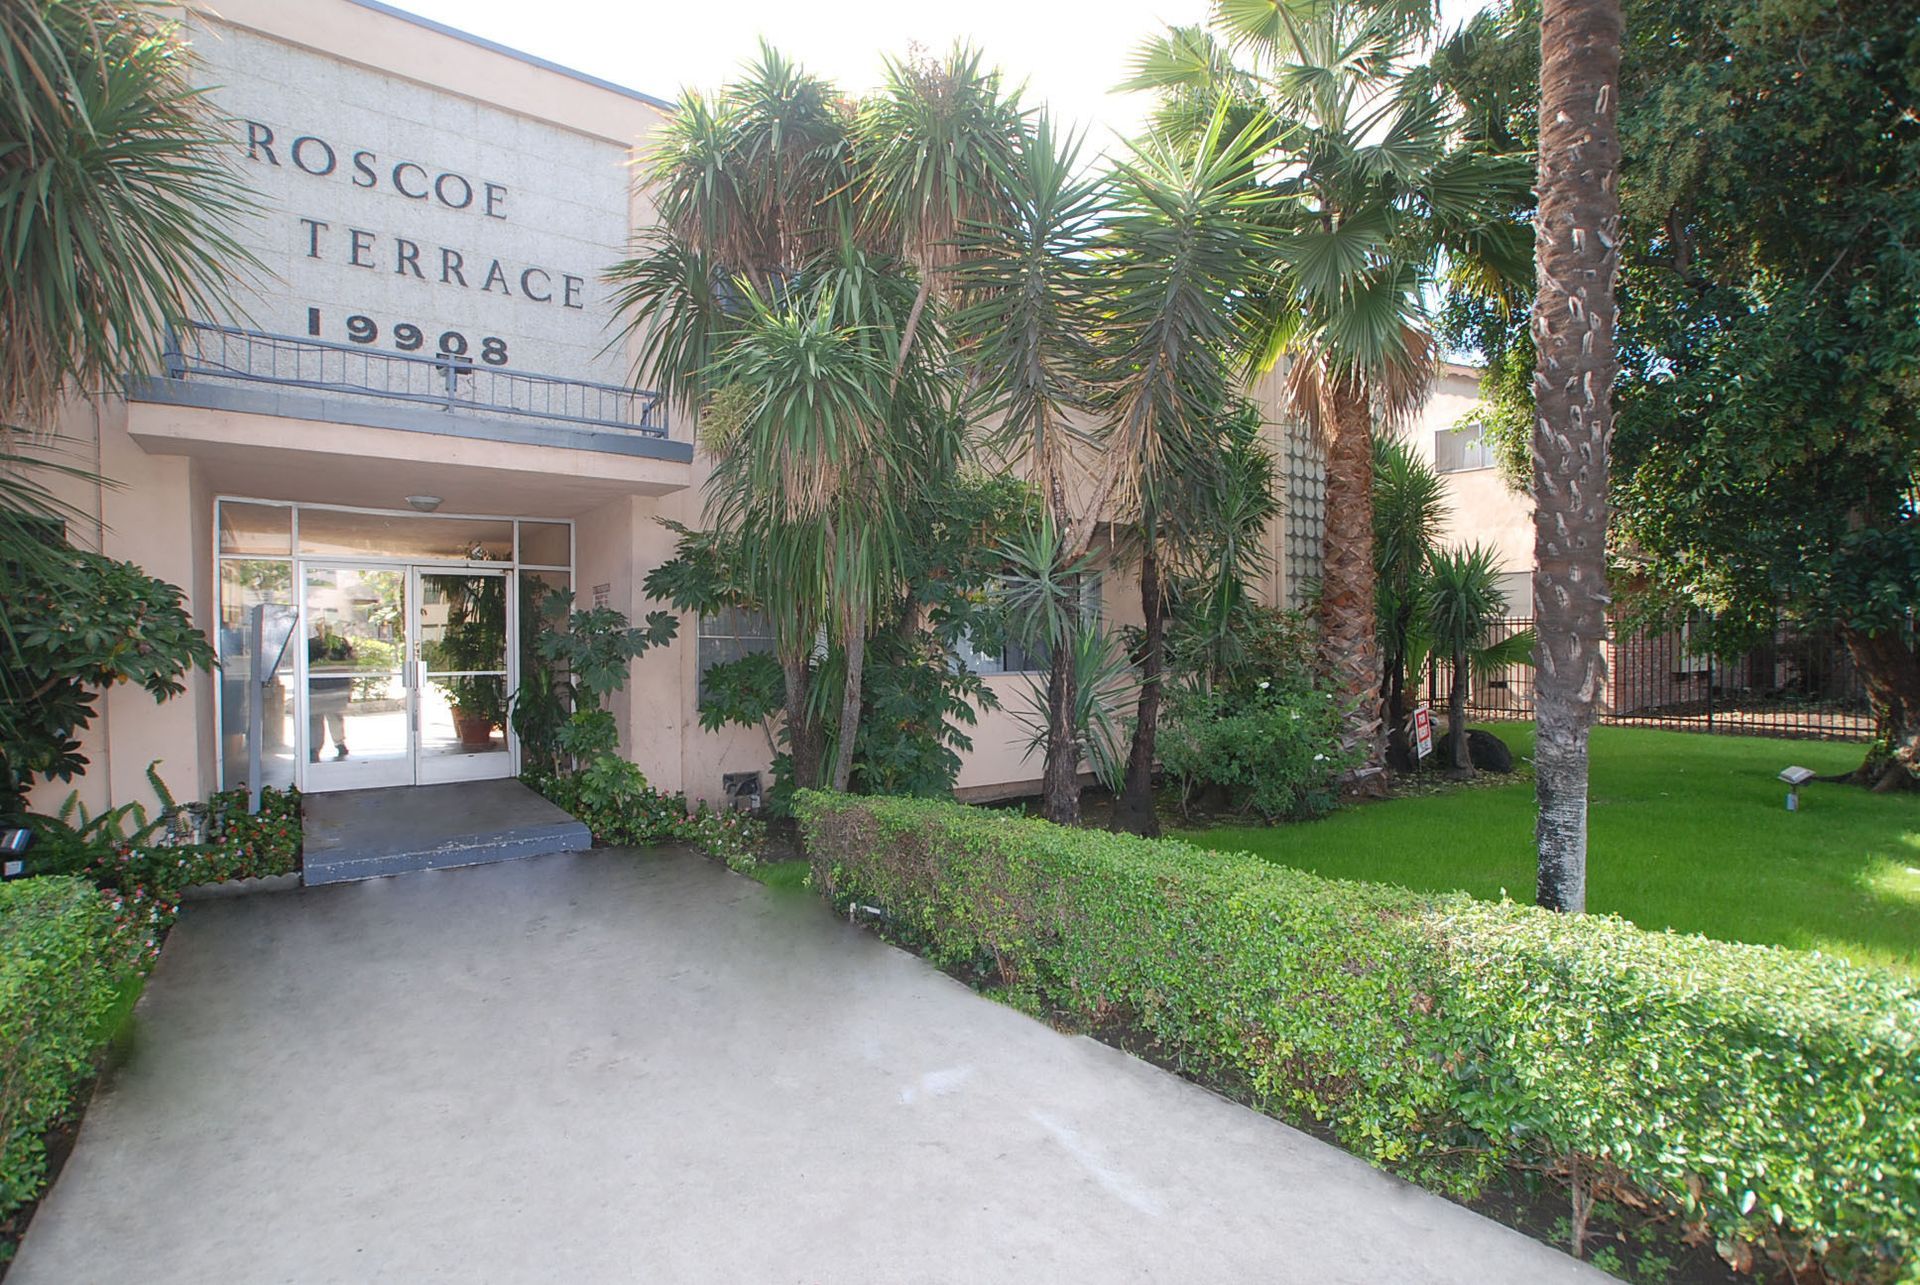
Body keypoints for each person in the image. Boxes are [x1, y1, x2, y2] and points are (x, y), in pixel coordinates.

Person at [308, 619, 355, 761]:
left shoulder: (337, 644)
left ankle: (316, 748)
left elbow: (349, 663)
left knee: (322, 718)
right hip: (326, 687)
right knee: (327, 718)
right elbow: (351, 663)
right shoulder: (337, 643)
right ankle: (331, 745)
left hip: (323, 687)